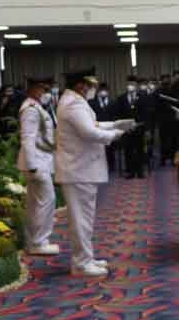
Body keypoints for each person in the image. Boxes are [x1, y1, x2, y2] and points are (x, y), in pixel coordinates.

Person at [55, 68, 128, 278]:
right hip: (78, 169)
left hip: (81, 168)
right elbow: (88, 132)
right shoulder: (73, 104)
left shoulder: (74, 101)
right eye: (89, 85)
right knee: (81, 219)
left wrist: (114, 124)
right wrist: (115, 135)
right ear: (80, 85)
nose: (92, 89)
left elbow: (92, 124)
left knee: (85, 218)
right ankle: (81, 263)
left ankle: (86, 258)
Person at [16, 77, 60, 256]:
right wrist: (32, 165)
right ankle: (39, 242)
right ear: (33, 89)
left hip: (39, 160)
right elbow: (27, 138)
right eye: (43, 89)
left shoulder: (36, 107)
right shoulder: (31, 110)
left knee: (35, 203)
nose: (45, 93)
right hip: (36, 162)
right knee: (47, 201)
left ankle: (33, 240)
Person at [115, 76, 149, 179]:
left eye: (133, 84)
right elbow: (119, 114)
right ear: (126, 85)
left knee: (140, 150)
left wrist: (143, 127)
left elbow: (145, 114)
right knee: (128, 150)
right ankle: (130, 171)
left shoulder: (142, 97)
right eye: (129, 84)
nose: (131, 86)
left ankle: (140, 171)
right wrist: (124, 126)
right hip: (127, 129)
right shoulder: (121, 98)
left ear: (136, 85)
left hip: (139, 128)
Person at [90, 82, 117, 174]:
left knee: (110, 149)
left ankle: (111, 166)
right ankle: (98, 167)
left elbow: (115, 116)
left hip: (109, 129)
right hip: (98, 128)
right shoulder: (92, 102)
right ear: (98, 91)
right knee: (98, 149)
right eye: (101, 90)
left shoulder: (112, 102)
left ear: (108, 91)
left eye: (105, 90)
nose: (103, 92)